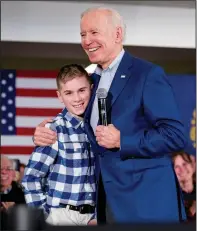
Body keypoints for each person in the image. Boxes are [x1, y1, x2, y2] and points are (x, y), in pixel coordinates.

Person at [33, 7, 187, 224]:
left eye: (94, 32)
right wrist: (43, 133)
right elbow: (72, 116)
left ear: (117, 34)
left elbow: (174, 135)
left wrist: (123, 140)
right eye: (83, 34)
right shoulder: (91, 79)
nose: (87, 40)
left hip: (145, 205)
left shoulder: (147, 74)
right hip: (107, 203)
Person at [22, 64, 97, 226]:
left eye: (82, 90)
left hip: (93, 216)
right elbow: (31, 177)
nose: (77, 98)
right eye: (68, 93)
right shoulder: (55, 129)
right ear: (60, 96)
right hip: (61, 215)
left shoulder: (99, 128)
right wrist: (43, 217)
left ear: (91, 89)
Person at [1, 155, 26, 229]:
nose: (3, 172)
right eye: (0, 168)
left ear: (14, 174)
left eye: (8, 169)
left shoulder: (26, 196)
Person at [172, 151, 196, 221]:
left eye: (184, 164)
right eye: (177, 167)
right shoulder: (171, 198)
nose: (182, 169)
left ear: (192, 166)